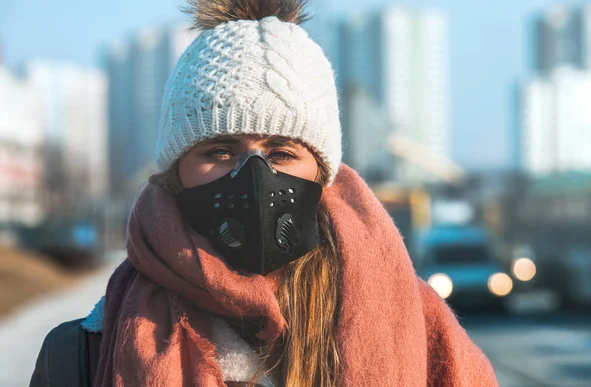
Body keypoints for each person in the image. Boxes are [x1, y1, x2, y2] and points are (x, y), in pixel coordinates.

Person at [30, 0, 498, 386]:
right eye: (219, 150)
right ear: (176, 172)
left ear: (323, 174)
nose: (254, 176)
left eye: (281, 152)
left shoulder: (420, 332)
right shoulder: (82, 353)